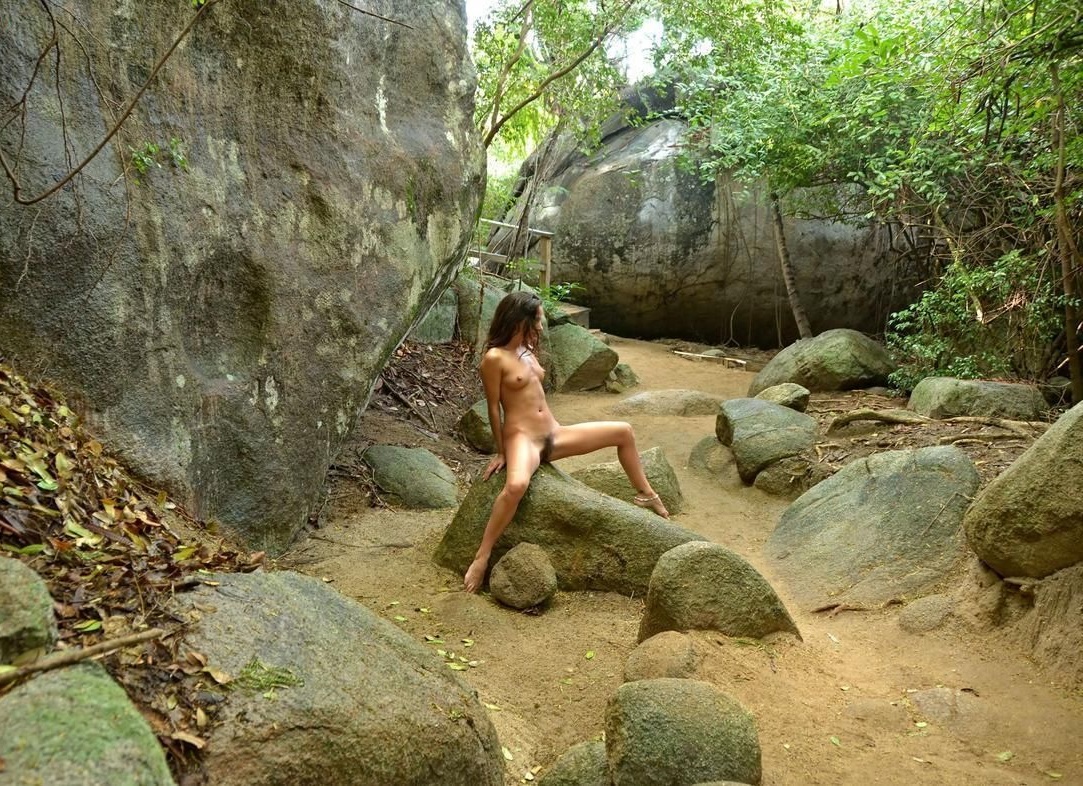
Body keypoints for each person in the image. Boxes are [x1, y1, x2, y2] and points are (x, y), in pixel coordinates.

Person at [463, 290, 669, 593]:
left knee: (624, 431)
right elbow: (494, 408)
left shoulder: (526, 350)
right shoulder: (494, 358)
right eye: (537, 319)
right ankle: (482, 556)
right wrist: (501, 451)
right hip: (524, 440)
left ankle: (647, 494)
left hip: (554, 433)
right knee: (516, 486)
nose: (541, 325)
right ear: (519, 319)